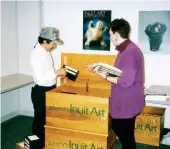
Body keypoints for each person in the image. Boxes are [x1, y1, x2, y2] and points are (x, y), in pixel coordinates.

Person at [86, 18, 145, 149]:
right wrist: (99, 66)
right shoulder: (127, 49)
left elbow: (125, 81)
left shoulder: (129, 52)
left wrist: (104, 76)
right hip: (128, 99)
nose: (110, 37)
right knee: (127, 134)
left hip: (127, 100)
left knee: (123, 133)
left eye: (111, 34)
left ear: (117, 34)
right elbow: (120, 72)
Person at [30, 27, 66, 148]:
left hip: (49, 89)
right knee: (40, 120)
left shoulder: (45, 52)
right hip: (41, 91)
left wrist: (58, 73)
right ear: (44, 41)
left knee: (48, 118)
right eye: (53, 43)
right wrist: (57, 73)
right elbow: (41, 79)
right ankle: (38, 144)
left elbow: (47, 72)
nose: (54, 45)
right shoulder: (36, 54)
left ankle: (46, 142)